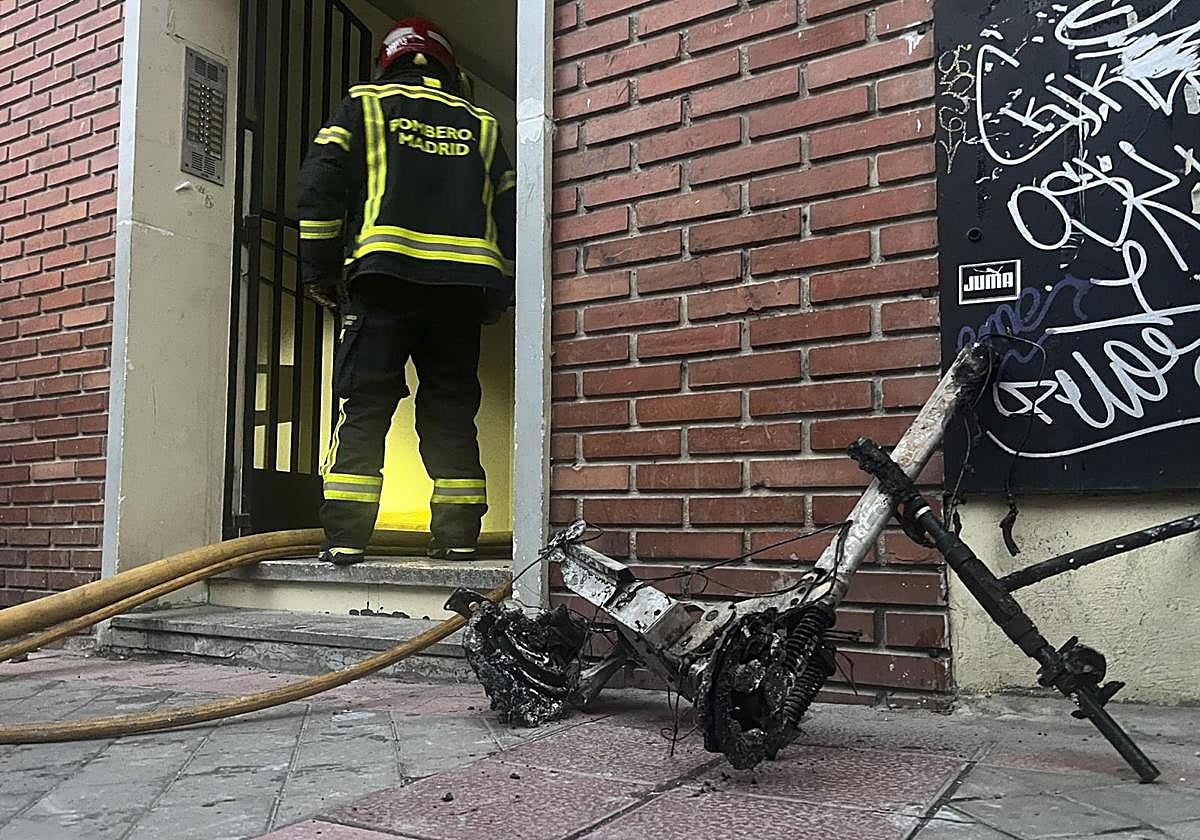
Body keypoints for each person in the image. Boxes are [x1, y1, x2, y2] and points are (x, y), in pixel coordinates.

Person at [298, 17, 516, 564]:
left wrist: (319, 273)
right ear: (448, 67)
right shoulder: (484, 126)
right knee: (450, 410)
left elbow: (319, 189)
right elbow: (513, 213)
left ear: (390, 61)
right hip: (461, 291)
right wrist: (499, 290)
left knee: (367, 405)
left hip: (384, 283)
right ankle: (459, 536)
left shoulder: (363, 107)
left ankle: (346, 538)